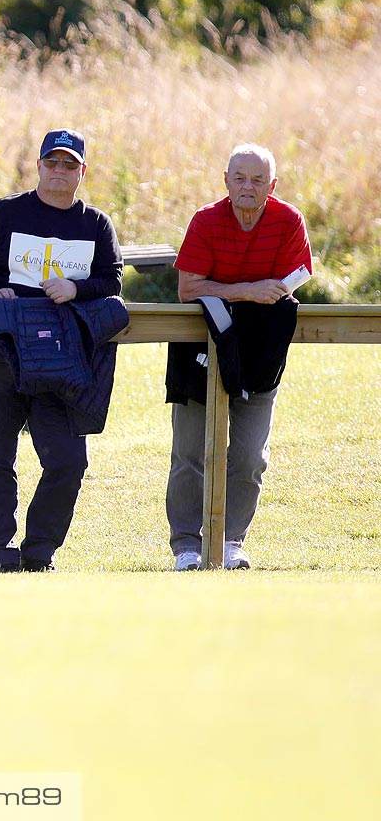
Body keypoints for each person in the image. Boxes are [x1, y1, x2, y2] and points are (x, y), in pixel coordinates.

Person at [0, 128, 122, 573]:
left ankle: (39, 551)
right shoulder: (2, 213)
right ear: (39, 166)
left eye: (69, 165)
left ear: (82, 171)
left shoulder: (96, 224)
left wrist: (76, 288)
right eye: (52, 163)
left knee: (67, 462)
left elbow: (112, 280)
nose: (59, 171)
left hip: (62, 363)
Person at [166, 144, 312, 572]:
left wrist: (251, 292)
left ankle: (231, 541)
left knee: (250, 456)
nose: (248, 187)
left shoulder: (289, 220)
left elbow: (291, 282)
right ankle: (187, 547)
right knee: (190, 452)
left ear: (273, 185)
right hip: (197, 347)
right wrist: (247, 291)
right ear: (226, 180)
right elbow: (188, 289)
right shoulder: (206, 220)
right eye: (240, 178)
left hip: (260, 351)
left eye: (258, 180)